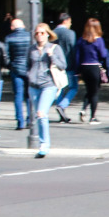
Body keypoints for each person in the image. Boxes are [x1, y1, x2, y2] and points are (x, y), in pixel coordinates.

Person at [28, 22, 67, 159]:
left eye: (42, 33)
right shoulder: (31, 49)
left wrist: (52, 56)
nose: (39, 35)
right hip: (33, 85)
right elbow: (28, 65)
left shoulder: (55, 48)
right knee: (39, 116)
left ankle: (44, 145)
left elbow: (63, 65)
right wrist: (29, 76)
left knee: (41, 113)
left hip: (49, 85)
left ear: (48, 34)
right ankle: (43, 143)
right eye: (37, 33)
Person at [73, 17, 109, 124]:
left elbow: (77, 56)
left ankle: (83, 109)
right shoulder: (99, 40)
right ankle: (93, 117)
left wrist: (77, 70)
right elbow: (103, 55)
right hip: (95, 67)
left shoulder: (81, 40)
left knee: (89, 90)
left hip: (84, 67)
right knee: (95, 92)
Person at [5, 18, 31, 129]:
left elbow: (5, 55)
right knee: (29, 95)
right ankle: (30, 119)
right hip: (29, 69)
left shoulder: (9, 38)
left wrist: (10, 65)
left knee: (18, 96)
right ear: (23, 26)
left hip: (16, 69)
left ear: (12, 27)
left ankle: (20, 122)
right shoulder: (29, 36)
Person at [51, 13, 77, 122]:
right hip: (69, 64)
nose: (70, 24)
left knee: (60, 87)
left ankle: (60, 109)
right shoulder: (70, 33)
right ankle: (62, 105)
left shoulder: (53, 33)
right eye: (70, 21)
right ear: (66, 20)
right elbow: (73, 49)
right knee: (73, 87)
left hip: (57, 65)